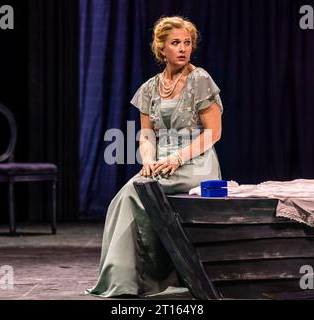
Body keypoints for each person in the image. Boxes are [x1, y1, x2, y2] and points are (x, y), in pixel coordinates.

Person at [86, 16, 224, 298]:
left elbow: (213, 133)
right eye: (175, 43)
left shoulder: (200, 80)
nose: (183, 49)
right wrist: (147, 161)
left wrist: (176, 159)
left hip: (194, 162)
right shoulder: (150, 87)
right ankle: (128, 280)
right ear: (162, 49)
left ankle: (137, 281)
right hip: (160, 163)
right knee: (125, 196)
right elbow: (146, 136)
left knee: (136, 195)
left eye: (187, 43)